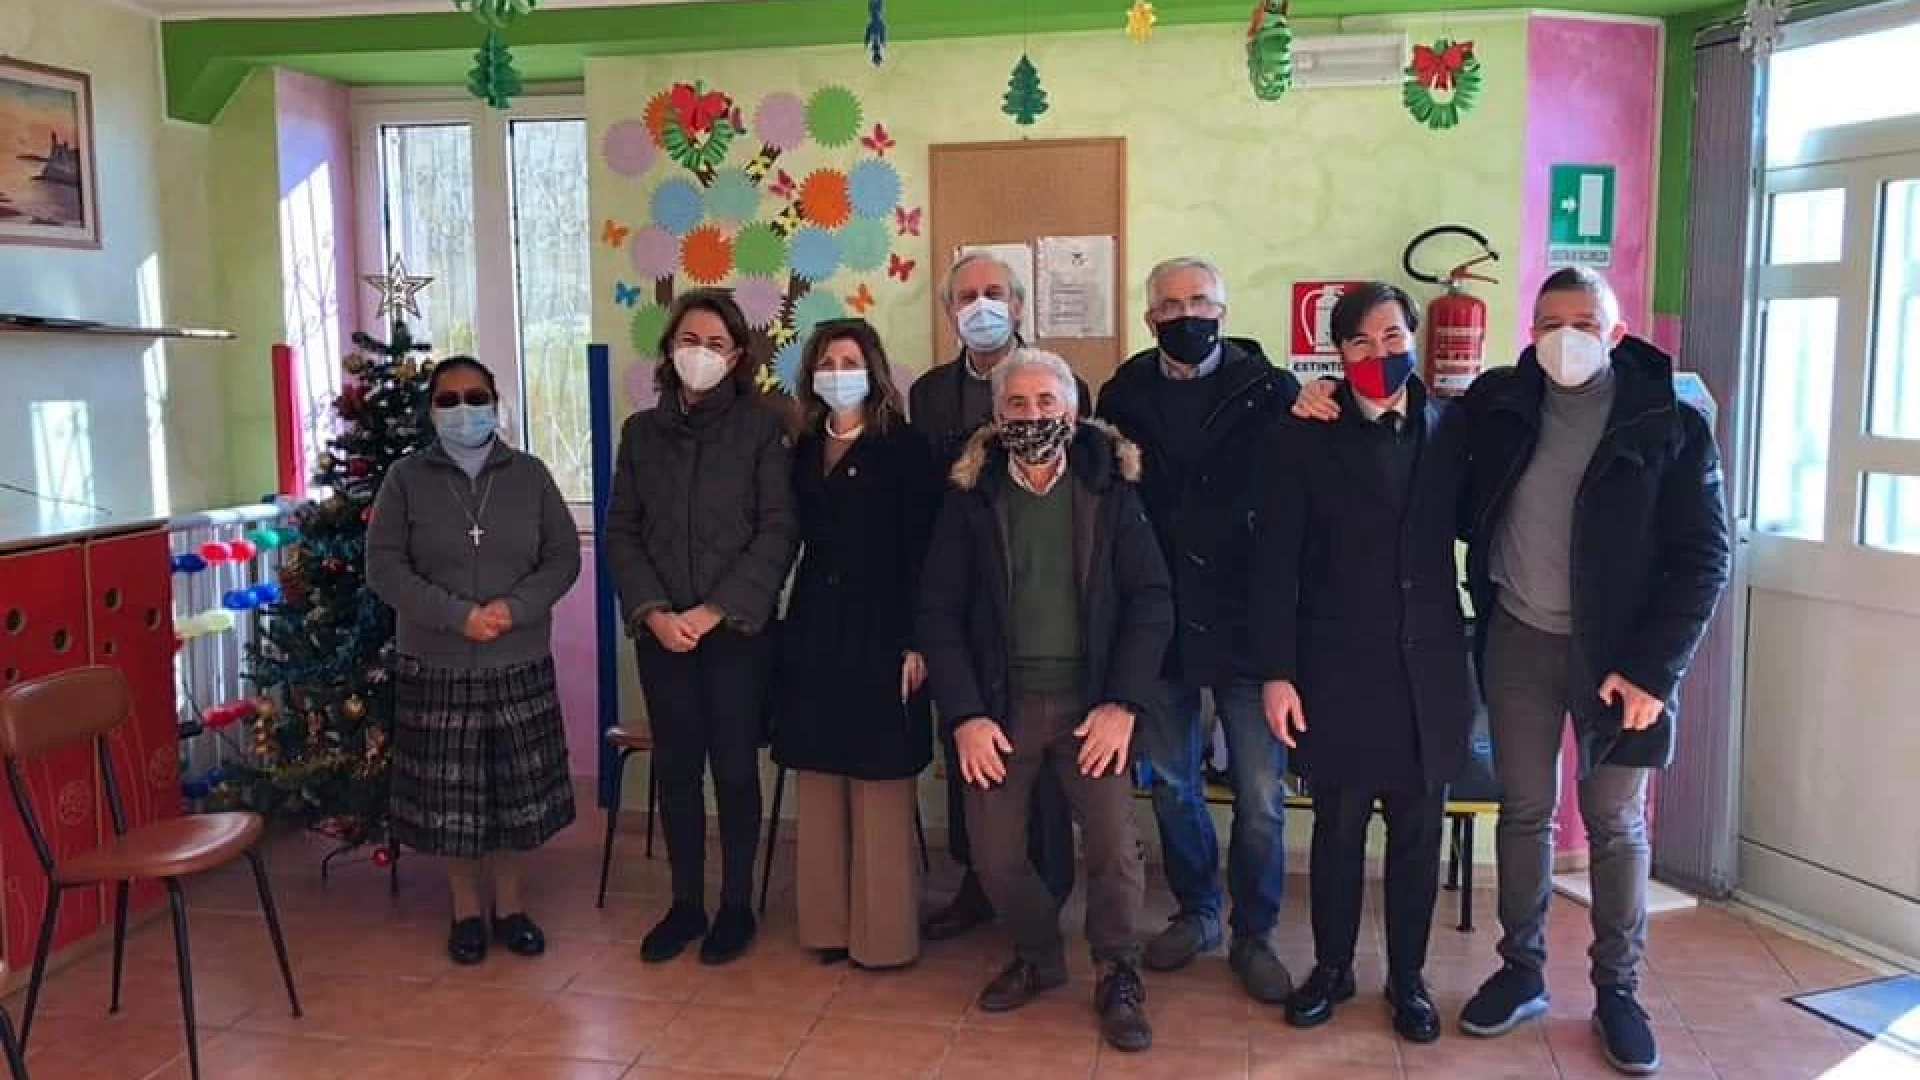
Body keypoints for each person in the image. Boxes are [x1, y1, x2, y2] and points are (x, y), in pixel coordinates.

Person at [1294, 268, 1732, 1075]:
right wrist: (1315, 397)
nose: (1567, 336)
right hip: (1520, 641)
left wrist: (1652, 670)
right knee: (1525, 813)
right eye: (1550, 321)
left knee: (1615, 825)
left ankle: (1618, 993)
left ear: (1617, 329)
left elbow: (1706, 557)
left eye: (1584, 321)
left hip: (1623, 661)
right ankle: (1521, 971)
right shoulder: (1500, 406)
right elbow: (1411, 445)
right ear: (1529, 329)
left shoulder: (1671, 421)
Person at [917, 348, 1172, 1053]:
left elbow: (1152, 602)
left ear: (1072, 407)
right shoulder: (969, 497)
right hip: (1001, 708)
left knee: (1116, 849)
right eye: (1017, 406)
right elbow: (937, 612)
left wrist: (1123, 703)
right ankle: (1039, 952)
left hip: (1093, 706)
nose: (1033, 417)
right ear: (996, 418)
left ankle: (1118, 970)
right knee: (993, 855)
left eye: (1046, 403)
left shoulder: (1111, 487)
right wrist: (965, 715)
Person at [1251, 283, 1471, 1043]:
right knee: (1338, 835)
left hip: (1429, 672)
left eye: (1391, 336)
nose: (1380, 354)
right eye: (1360, 343)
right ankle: (1333, 968)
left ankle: (1408, 980)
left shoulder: (1452, 426)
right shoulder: (1303, 434)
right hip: (1335, 669)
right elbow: (1276, 562)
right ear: (1337, 356)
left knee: (1416, 839)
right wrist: (1277, 672)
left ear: (1413, 335)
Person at [1095, 256, 1299, 1001]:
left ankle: (1256, 932)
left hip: (1251, 622)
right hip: (1159, 621)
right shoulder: (1121, 395)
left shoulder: (1272, 392)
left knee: (1260, 794)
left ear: (1224, 308)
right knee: (1176, 783)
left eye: (1201, 301)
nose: (1188, 315)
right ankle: (1198, 909)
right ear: (1150, 317)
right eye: (1171, 305)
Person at [605, 289, 799, 967]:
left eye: (716, 345)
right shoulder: (640, 434)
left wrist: (712, 611)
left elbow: (777, 531)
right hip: (662, 637)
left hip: (737, 635)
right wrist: (655, 613)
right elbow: (622, 532)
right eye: (689, 341)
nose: (701, 355)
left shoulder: (760, 430)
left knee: (736, 772)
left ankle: (736, 905)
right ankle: (686, 903)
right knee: (678, 770)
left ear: (737, 356)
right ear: (668, 350)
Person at [367, 355, 582, 966]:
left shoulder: (531, 475)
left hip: (517, 657)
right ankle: (465, 911)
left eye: (476, 396)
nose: (465, 409)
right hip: (437, 663)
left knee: (516, 796)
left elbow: (563, 557)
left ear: (495, 402)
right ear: (433, 409)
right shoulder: (404, 480)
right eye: (450, 399)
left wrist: (514, 608)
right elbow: (384, 568)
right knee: (452, 801)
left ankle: (510, 908)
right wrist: (456, 614)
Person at [908, 253, 1088, 941]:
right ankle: (977, 884)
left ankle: (1044, 893)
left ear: (1018, 307)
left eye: (993, 294)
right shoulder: (927, 396)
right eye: (966, 296)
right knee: (969, 747)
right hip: (962, 602)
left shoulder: (1056, 385)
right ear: (950, 310)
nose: (979, 306)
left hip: (1042, 606)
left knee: (1040, 766)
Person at [771, 319, 939, 970]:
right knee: (819, 780)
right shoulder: (802, 445)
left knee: (879, 781)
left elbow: (927, 552)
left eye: (849, 359)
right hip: (815, 626)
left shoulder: (907, 448)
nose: (837, 370)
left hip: (886, 628)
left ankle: (883, 937)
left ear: (873, 369)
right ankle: (826, 929)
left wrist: (919, 641)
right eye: (826, 360)